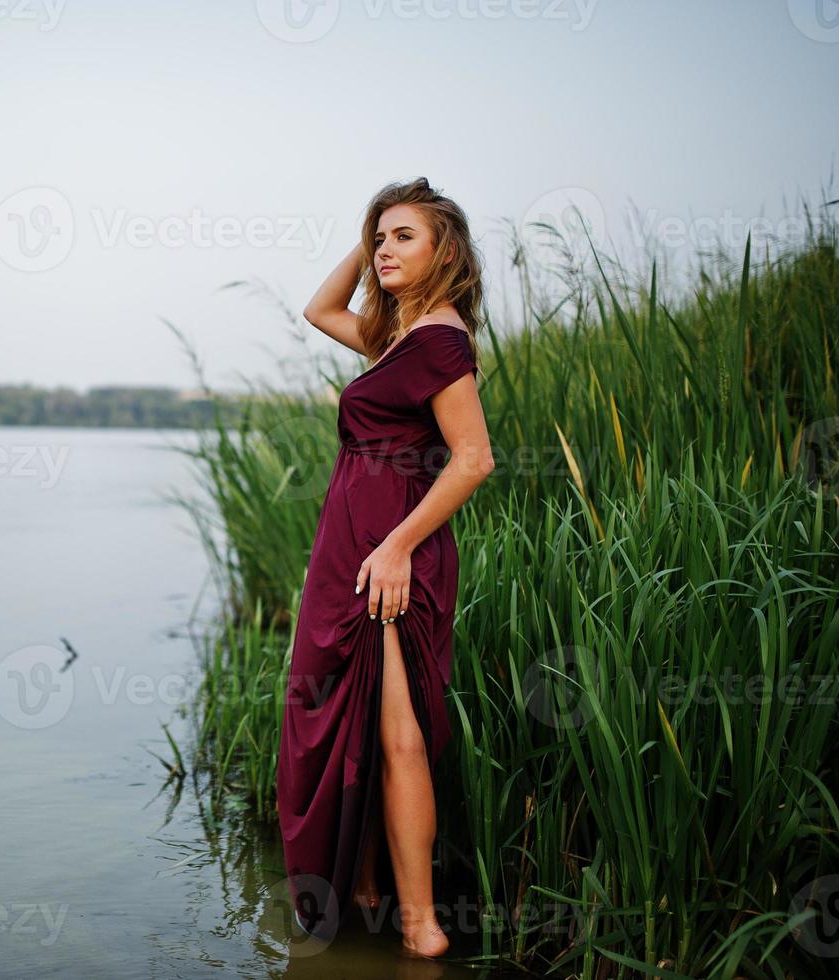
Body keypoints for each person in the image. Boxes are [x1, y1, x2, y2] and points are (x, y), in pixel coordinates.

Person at [276, 177, 495, 959]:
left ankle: (420, 926)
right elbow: (318, 310)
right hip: (353, 550)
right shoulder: (398, 337)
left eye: (405, 237)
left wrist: (398, 545)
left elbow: (473, 460)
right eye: (379, 238)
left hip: (392, 556)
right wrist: (369, 244)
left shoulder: (440, 340)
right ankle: (366, 888)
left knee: (399, 734)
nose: (382, 250)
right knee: (347, 716)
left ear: (446, 252)